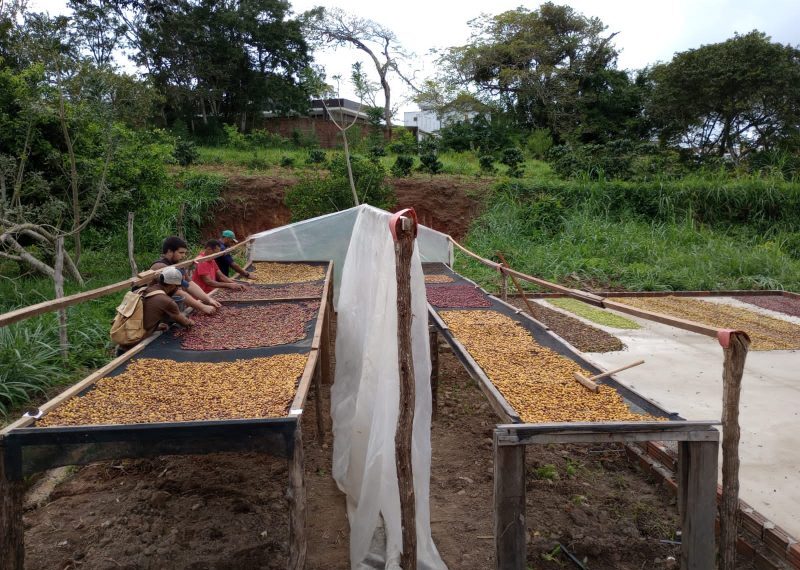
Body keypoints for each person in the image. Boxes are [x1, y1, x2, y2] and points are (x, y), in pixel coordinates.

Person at [117, 267, 194, 354]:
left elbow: (142, 314)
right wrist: (192, 323)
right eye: (178, 287)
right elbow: (184, 322)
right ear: (172, 285)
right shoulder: (166, 301)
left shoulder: (141, 291)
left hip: (124, 340)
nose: (178, 289)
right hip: (136, 347)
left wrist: (155, 327)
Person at [151, 236, 220, 315]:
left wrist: (208, 299)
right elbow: (177, 292)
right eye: (181, 253)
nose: (183, 256)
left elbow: (189, 284)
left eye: (184, 253)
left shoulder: (178, 264)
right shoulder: (160, 266)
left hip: (171, 306)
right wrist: (202, 307)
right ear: (170, 251)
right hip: (157, 309)